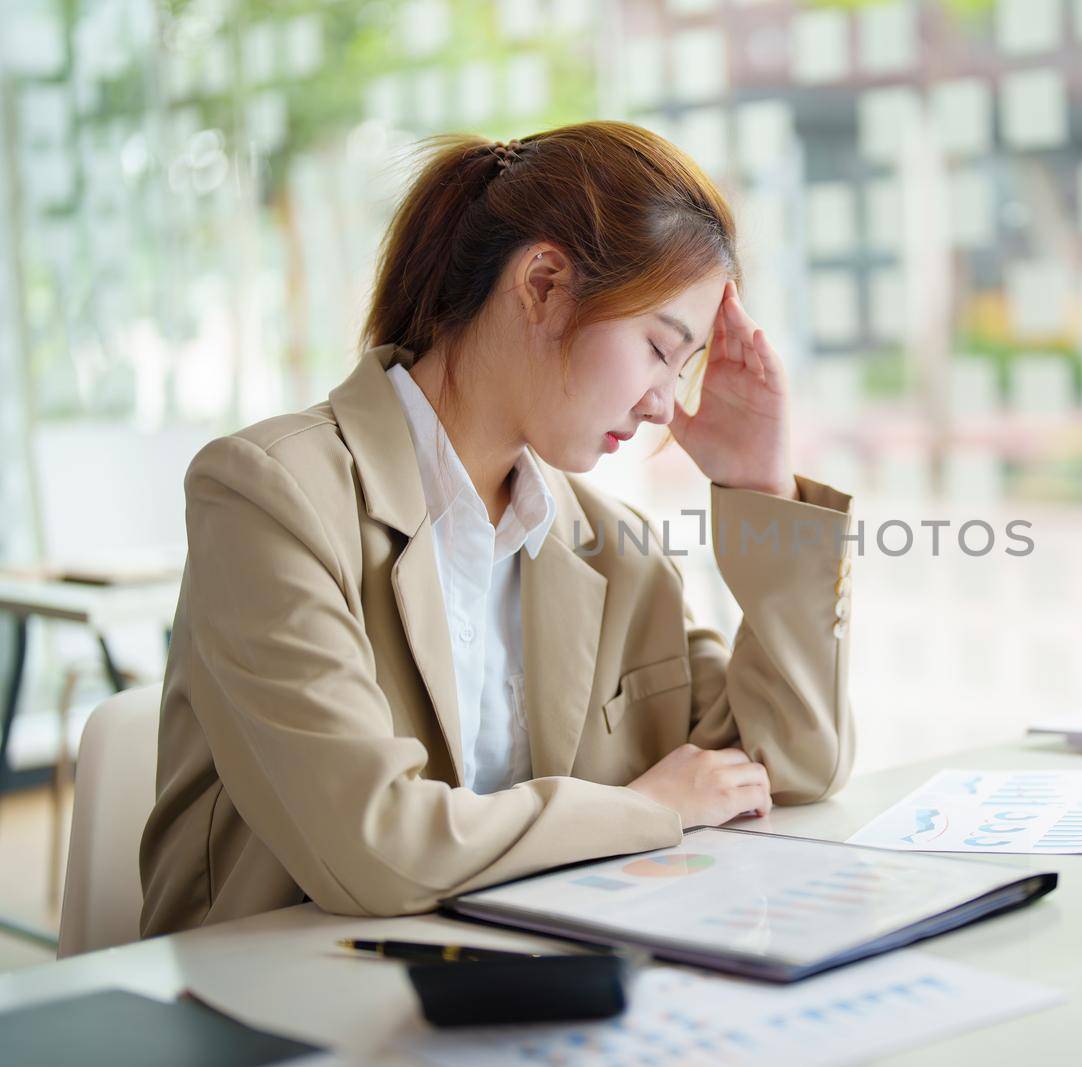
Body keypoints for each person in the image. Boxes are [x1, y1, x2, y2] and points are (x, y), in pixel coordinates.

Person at [139, 122, 855, 937]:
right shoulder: (270, 497)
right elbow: (376, 847)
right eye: (660, 348)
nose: (666, 403)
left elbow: (788, 766)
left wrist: (760, 487)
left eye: (683, 368)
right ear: (545, 283)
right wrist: (645, 809)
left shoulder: (614, 548)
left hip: (525, 995)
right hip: (283, 1009)